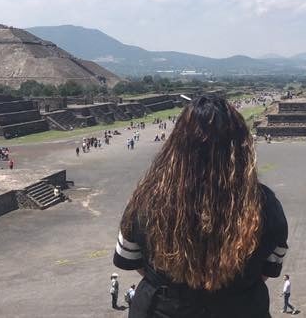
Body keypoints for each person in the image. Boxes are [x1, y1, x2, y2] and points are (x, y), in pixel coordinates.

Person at [112, 94, 289, 317]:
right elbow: (267, 270)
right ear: (241, 146)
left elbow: (131, 260)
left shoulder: (146, 199)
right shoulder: (266, 205)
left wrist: (178, 285)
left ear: (176, 144)